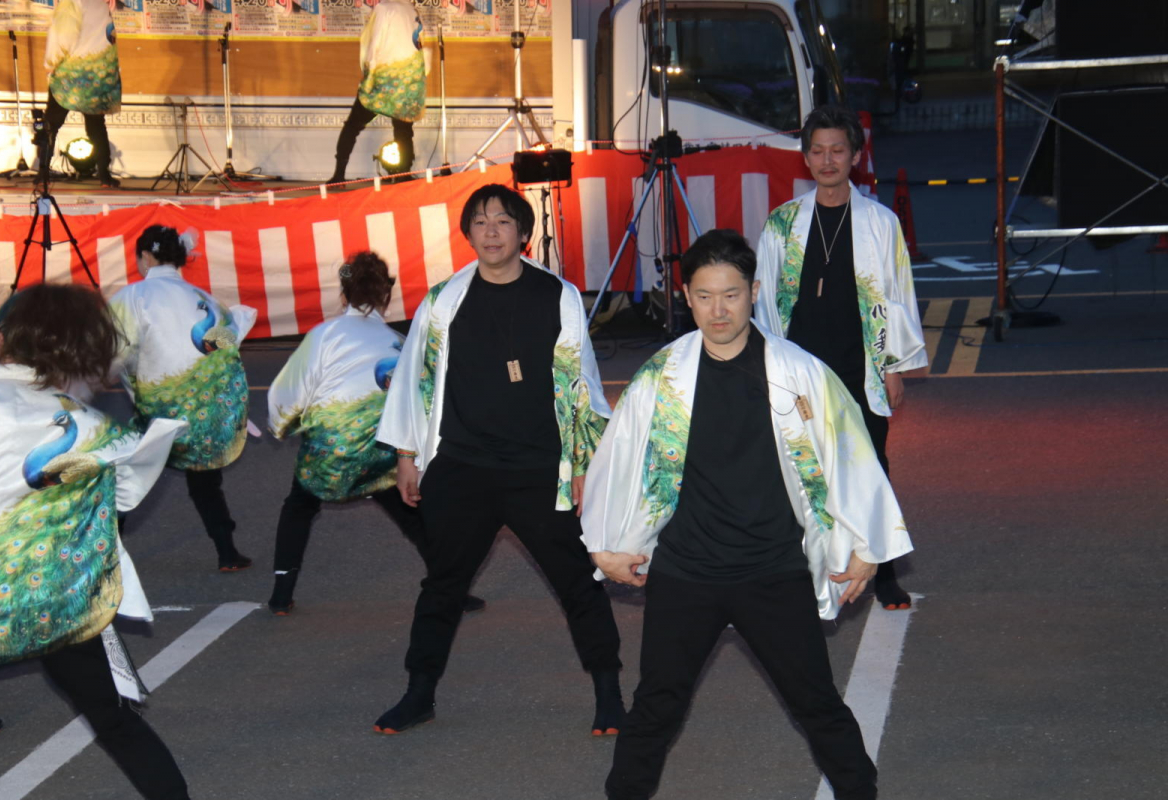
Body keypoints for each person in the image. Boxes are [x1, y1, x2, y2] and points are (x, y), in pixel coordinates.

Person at [584, 229, 914, 800]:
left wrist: (868, 546)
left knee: (817, 704)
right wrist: (602, 543)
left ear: (755, 291)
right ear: (687, 296)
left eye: (732, 294)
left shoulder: (800, 372)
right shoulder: (660, 378)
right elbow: (618, 460)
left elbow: (850, 456)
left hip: (773, 569)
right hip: (686, 571)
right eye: (706, 295)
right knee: (655, 708)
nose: (718, 310)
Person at [374, 183, 624, 736]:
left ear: (523, 234)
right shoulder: (442, 301)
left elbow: (580, 385)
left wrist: (583, 466)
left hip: (538, 467)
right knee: (442, 585)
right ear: (467, 234)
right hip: (462, 466)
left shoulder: (557, 295)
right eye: (481, 222)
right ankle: (419, 694)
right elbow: (415, 379)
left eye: (504, 221)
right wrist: (408, 455)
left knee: (578, 582)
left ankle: (609, 693)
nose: (491, 231)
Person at [0, 284, 191, 799]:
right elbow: (126, 498)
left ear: (3, 340)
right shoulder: (93, 426)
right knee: (117, 723)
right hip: (58, 604)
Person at [754, 105, 926, 610]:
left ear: (855, 156)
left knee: (872, 468)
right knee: (794, 468)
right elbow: (762, 299)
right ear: (805, 158)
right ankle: (790, 571)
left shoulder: (880, 221)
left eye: (838, 150)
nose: (827, 160)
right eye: (818, 150)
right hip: (797, 371)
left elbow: (897, 295)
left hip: (860, 366)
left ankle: (884, 571)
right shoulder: (782, 223)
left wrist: (893, 366)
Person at [265, 251, 483, 615]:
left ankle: (281, 593)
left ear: (344, 292)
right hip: (383, 452)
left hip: (330, 451)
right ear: (386, 295)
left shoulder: (324, 335)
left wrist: (281, 425)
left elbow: (288, 392)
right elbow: (420, 399)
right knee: (412, 512)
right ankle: (452, 588)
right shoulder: (398, 341)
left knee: (298, 506)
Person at [109, 225, 257, 572]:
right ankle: (227, 551)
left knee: (130, 478)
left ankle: (105, 557)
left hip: (156, 411)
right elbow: (225, 347)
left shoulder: (131, 297)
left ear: (146, 256)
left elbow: (118, 354)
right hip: (204, 411)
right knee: (205, 481)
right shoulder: (205, 298)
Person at [327, 0, 426, 183]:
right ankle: (403, 175)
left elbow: (375, 43)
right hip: (408, 78)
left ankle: (339, 174)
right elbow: (418, 42)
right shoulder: (410, 8)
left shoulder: (384, 8)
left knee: (353, 126)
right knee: (403, 130)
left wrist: (369, 72)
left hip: (383, 78)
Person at [40, 0, 122, 188]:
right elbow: (109, 35)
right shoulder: (100, 3)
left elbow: (61, 36)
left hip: (71, 73)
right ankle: (104, 175)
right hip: (99, 72)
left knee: (50, 125)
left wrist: (50, 64)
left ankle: (43, 173)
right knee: (96, 127)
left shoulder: (71, 3)